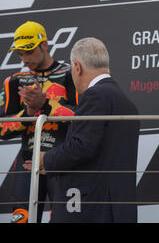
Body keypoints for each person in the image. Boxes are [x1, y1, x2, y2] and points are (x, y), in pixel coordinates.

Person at [26, 37, 140, 223]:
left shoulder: (95, 95)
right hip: (117, 209)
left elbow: (81, 146)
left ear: (77, 67)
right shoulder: (127, 103)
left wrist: (45, 159)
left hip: (90, 209)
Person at [0, 21, 77, 223]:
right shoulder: (15, 81)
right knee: (22, 220)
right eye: (20, 54)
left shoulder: (70, 75)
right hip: (27, 162)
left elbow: (82, 119)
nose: (25, 59)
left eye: (29, 52)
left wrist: (46, 103)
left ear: (44, 45)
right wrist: (28, 112)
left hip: (61, 160)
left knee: (62, 219)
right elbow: (1, 128)